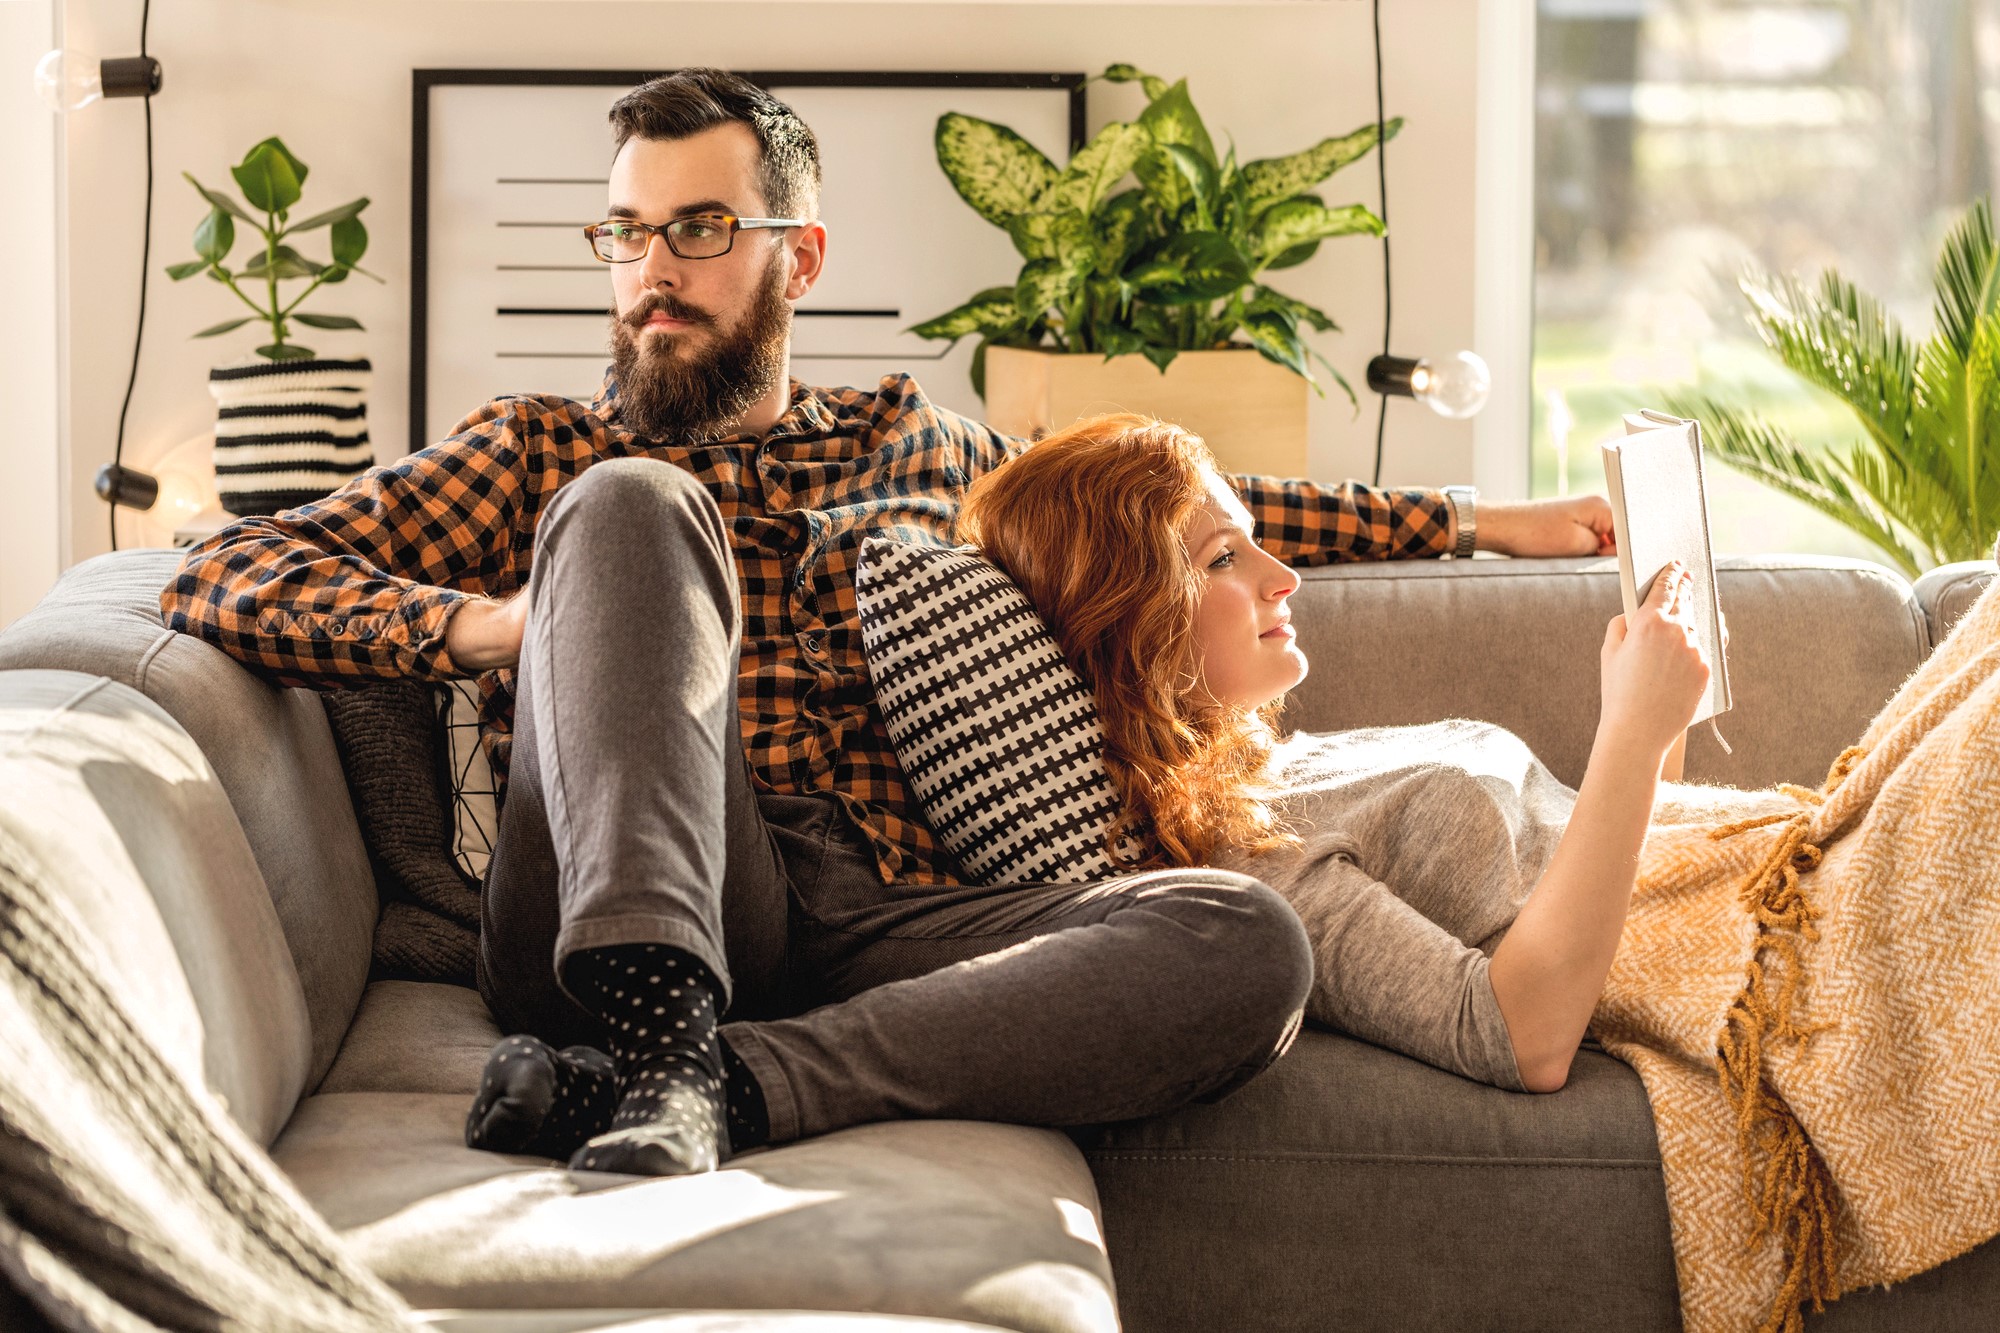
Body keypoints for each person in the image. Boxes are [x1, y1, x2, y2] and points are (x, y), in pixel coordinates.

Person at [159, 69, 1612, 1182]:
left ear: (800, 257)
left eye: (703, 230)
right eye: (628, 232)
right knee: (630, 503)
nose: (652, 271)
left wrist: (1482, 522)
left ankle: (721, 1085)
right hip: (620, 891)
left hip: (888, 919)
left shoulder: (921, 443)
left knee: (1245, 939)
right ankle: (658, 1027)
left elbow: (1170, 511)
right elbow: (216, 573)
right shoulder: (540, 448)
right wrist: (486, 628)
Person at [956, 412, 2000, 1333]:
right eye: (1224, 558)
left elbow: (1586, 864)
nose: (1282, 578)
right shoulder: (1254, 860)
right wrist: (1631, 735)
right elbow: (1520, 1031)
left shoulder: (1286, 766)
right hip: (1783, 951)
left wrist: (1646, 718)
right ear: (1127, 616)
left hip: (1772, 868)